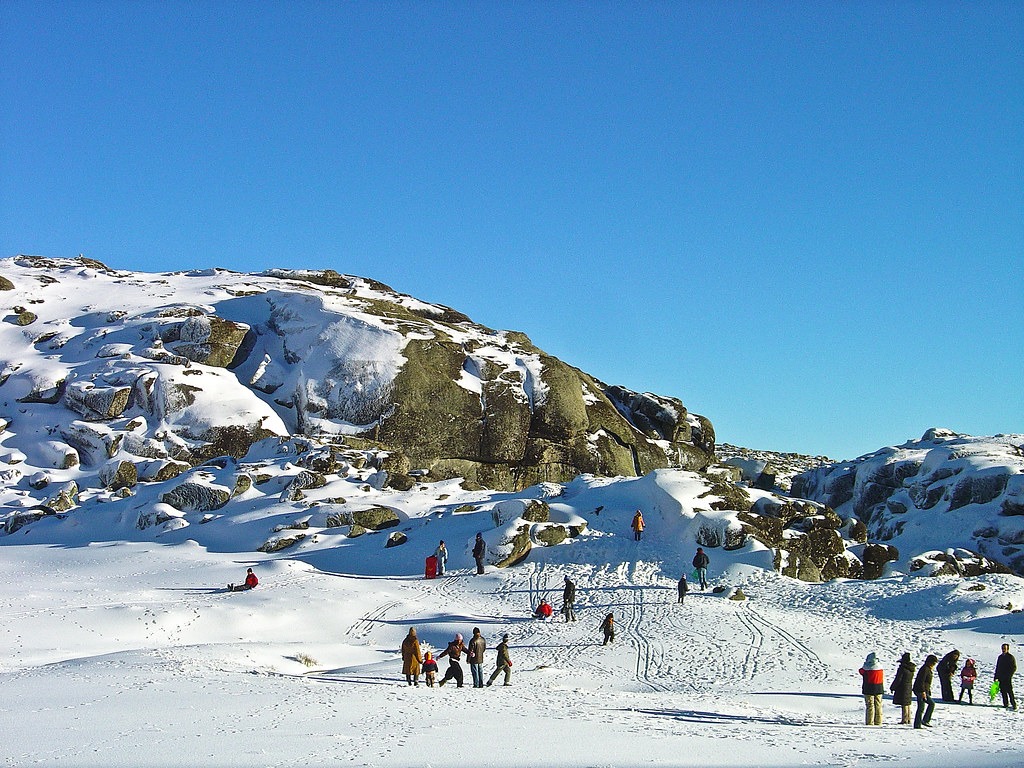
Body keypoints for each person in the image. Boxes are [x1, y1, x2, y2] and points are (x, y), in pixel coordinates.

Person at [859, 652, 885, 725]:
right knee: (878, 705)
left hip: (868, 689)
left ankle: (870, 722)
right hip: (879, 688)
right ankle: (878, 721)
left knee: (870, 706)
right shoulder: (880, 667)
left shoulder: (866, 668)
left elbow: (861, 671)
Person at [913, 654, 938, 729]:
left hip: (923, 690)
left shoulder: (927, 669)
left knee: (925, 706)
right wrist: (923, 691)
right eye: (933, 663)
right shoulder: (925, 669)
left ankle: (922, 722)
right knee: (924, 707)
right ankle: (920, 723)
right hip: (920, 690)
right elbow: (921, 681)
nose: (934, 665)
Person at [891, 652, 916, 725]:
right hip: (908, 687)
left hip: (902, 688)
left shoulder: (902, 668)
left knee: (904, 704)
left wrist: (893, 687)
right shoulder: (911, 668)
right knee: (907, 704)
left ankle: (904, 719)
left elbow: (898, 679)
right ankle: (908, 718)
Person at [995, 643, 1018, 710]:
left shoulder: (1010, 657)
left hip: (1007, 678)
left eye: (1005, 648)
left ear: (1008, 649)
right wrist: (996, 677)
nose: (1003, 649)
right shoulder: (1000, 657)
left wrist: (1009, 675)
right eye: (1003, 648)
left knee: (1010, 692)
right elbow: (998, 667)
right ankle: (1005, 704)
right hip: (1000, 677)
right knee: (1003, 691)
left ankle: (1013, 704)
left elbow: (1014, 667)